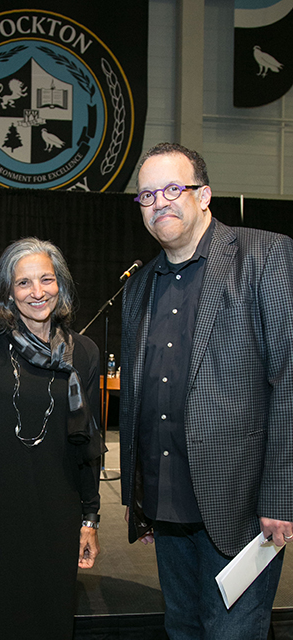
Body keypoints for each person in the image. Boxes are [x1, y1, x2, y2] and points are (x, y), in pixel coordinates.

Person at [119, 142, 293, 639]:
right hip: (167, 506)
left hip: (240, 507)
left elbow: (289, 378)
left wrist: (282, 494)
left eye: (174, 188)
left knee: (232, 632)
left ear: (205, 195)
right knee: (184, 628)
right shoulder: (141, 284)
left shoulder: (265, 255)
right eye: (147, 194)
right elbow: (137, 393)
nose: (160, 202)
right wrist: (139, 494)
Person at [0, 237, 105, 640]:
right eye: (24, 283)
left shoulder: (84, 353)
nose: (37, 292)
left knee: (50, 620)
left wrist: (89, 518)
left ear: (61, 285)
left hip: (57, 513)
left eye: (46, 279)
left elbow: (89, 446)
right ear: (7, 291)